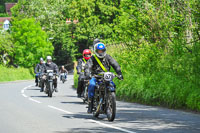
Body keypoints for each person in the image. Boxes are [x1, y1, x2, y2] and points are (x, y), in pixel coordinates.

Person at [85, 43, 123, 113]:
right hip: (96, 76)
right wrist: (88, 74)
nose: (101, 52)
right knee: (91, 85)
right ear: (96, 51)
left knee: (113, 85)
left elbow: (115, 64)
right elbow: (88, 66)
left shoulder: (108, 57)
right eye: (99, 51)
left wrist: (119, 73)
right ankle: (91, 104)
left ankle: (110, 99)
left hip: (106, 77)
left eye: (102, 50)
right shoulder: (93, 58)